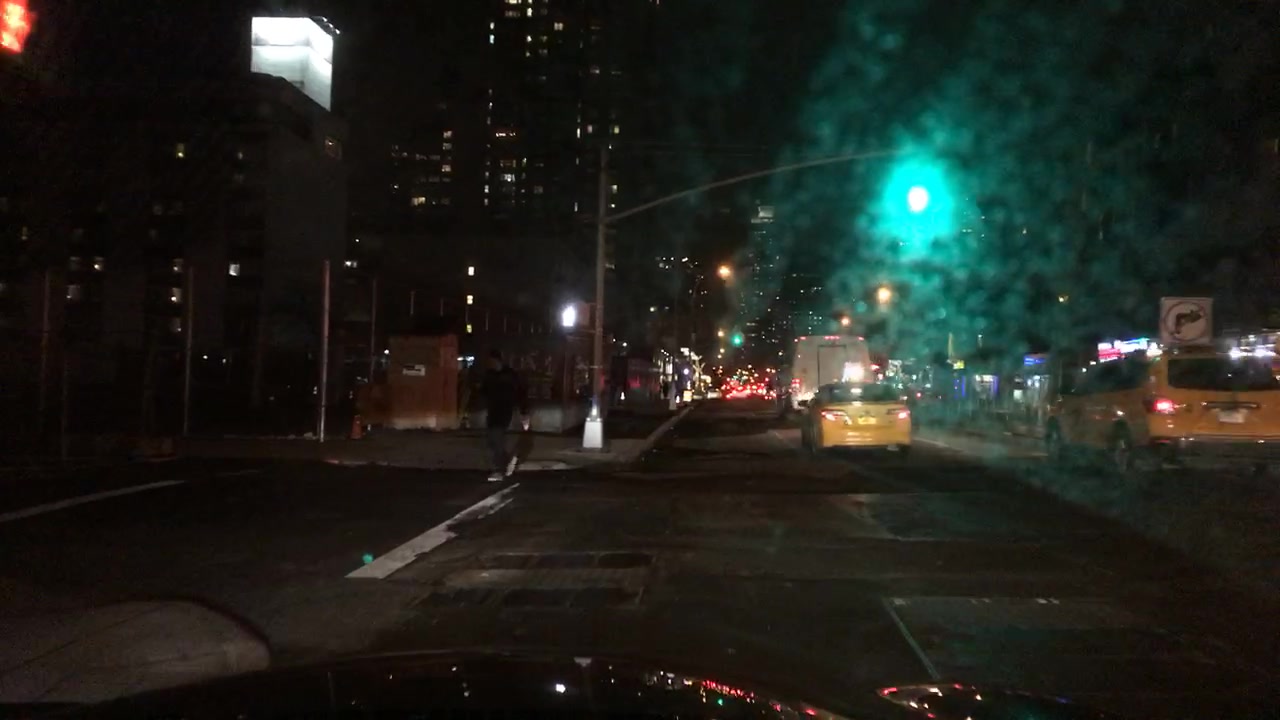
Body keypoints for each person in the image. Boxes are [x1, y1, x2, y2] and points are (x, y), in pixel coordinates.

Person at [481, 349, 529, 482]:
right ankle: (504, 464)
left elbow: (520, 393)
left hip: (505, 411)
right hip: (493, 410)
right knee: (492, 440)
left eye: (491, 361)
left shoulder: (509, 375)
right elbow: (484, 391)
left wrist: (523, 411)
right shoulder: (490, 375)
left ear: (496, 360)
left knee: (497, 438)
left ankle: (499, 469)